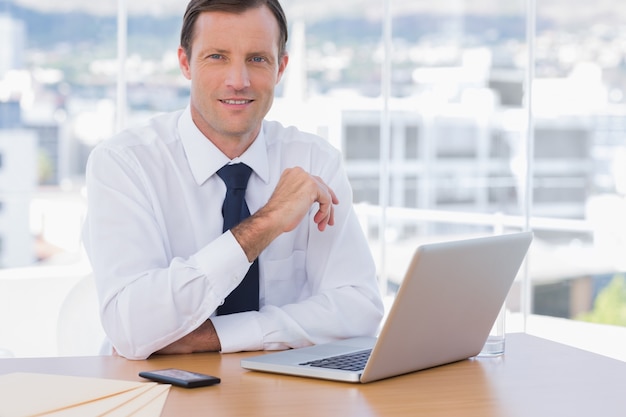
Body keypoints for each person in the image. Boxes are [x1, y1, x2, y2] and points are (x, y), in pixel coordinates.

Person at [82, 0, 383, 360]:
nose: (238, 81)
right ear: (185, 63)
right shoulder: (125, 164)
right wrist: (265, 224)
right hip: (155, 393)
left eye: (257, 59)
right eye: (217, 57)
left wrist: (212, 336)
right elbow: (131, 327)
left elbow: (360, 310)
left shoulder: (315, 160)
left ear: (280, 67)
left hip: (285, 393)